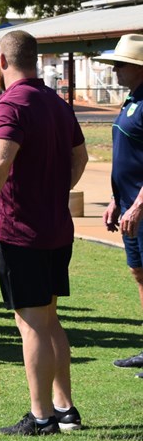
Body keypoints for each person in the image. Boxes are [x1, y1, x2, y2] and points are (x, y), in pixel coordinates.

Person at [0, 30, 88, 435]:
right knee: (49, 318)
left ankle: (41, 417)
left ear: (2, 61)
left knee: (31, 321)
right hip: (56, 226)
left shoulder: (12, 103)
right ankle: (64, 408)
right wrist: (55, 190)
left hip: (23, 230)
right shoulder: (56, 102)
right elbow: (80, 155)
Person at [93, 34, 143, 377]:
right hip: (126, 206)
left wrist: (138, 205)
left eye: (120, 65)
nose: (115, 71)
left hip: (139, 207)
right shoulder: (131, 100)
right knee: (139, 275)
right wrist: (114, 199)